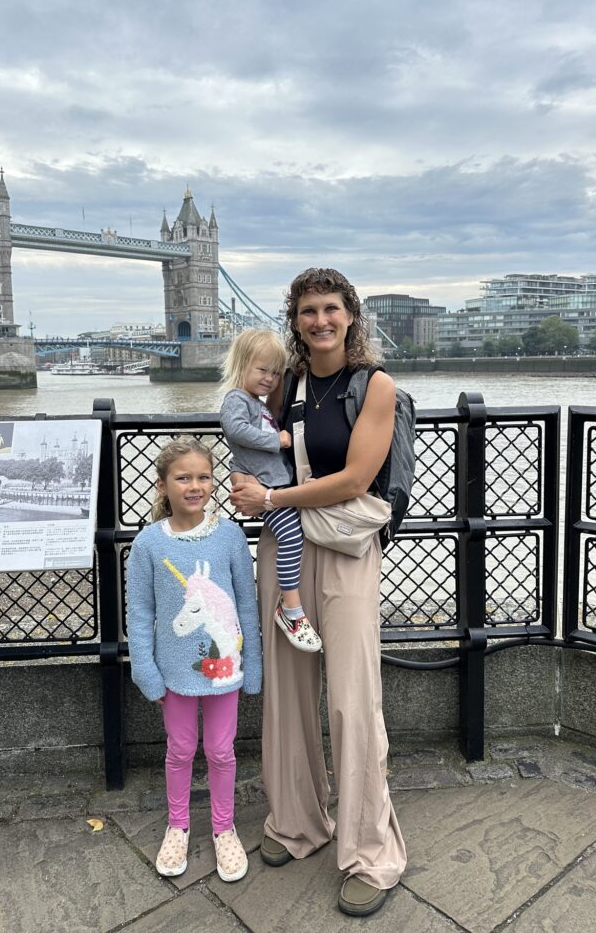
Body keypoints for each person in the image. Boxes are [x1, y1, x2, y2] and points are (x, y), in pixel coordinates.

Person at [229, 267, 407, 917]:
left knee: (352, 703)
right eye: (308, 311)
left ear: (350, 316)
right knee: (288, 693)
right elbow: (249, 440)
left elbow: (357, 479)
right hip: (284, 552)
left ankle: (369, 853)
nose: (320, 321)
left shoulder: (374, 386)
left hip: (345, 555)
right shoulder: (286, 386)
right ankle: (297, 822)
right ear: (296, 320)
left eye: (331, 309)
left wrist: (270, 496)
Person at [126, 436, 262, 883]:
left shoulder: (229, 536)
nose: (195, 485)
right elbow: (141, 611)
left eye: (203, 476)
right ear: (163, 485)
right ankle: (178, 824)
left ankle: (224, 828)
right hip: (173, 672)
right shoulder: (148, 544)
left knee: (222, 751)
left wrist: (254, 663)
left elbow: (246, 603)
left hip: (226, 670)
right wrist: (144, 666)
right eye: (183, 477)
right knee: (180, 749)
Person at [220, 328, 321, 652]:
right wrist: (275, 439)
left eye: (276, 373)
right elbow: (234, 429)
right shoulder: (237, 398)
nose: (269, 379)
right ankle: (290, 608)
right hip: (265, 485)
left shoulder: (256, 402)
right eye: (262, 370)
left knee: (296, 535)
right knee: (292, 537)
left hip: (274, 482)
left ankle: (291, 604)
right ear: (241, 365)